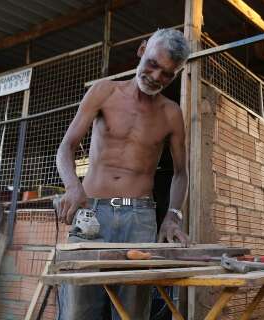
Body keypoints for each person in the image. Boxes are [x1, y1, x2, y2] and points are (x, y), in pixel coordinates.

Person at [55, 28, 190, 320]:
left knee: (132, 312)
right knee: (79, 310)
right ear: (142, 50)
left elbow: (181, 173)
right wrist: (72, 186)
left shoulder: (171, 113)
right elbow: (66, 147)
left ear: (176, 74)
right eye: (153, 64)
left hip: (139, 219)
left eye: (167, 74)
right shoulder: (104, 91)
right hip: (91, 214)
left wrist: (173, 215)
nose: (156, 77)